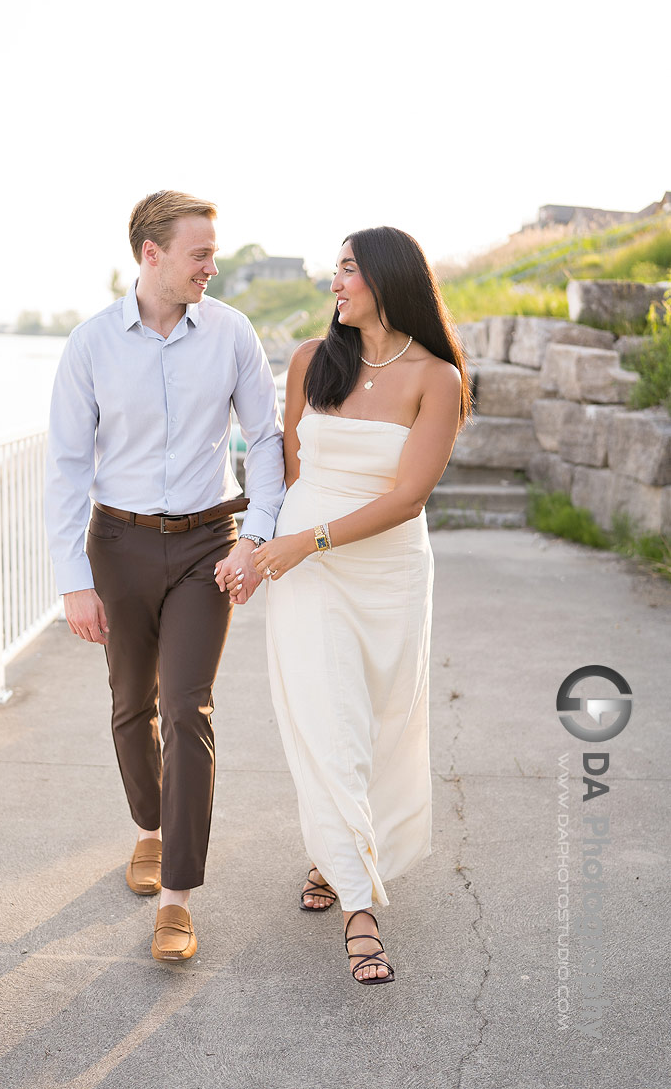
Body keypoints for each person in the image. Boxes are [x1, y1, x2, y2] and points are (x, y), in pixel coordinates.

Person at [45, 190, 284, 964]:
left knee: (187, 708)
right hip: (115, 544)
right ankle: (148, 828)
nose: (212, 267)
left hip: (203, 546)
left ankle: (177, 894)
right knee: (129, 705)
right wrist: (72, 579)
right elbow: (67, 468)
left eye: (212, 253)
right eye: (199, 255)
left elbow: (268, 441)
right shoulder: (89, 345)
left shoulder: (231, 333)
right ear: (151, 254)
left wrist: (255, 537)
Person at [249, 226, 470, 984]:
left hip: (383, 572)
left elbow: (408, 498)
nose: (332, 282)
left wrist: (305, 540)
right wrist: (259, 540)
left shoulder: (435, 379)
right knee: (324, 717)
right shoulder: (312, 361)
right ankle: (358, 906)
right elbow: (284, 460)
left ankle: (329, 853)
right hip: (304, 568)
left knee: (374, 725)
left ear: (384, 278)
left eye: (345, 269)